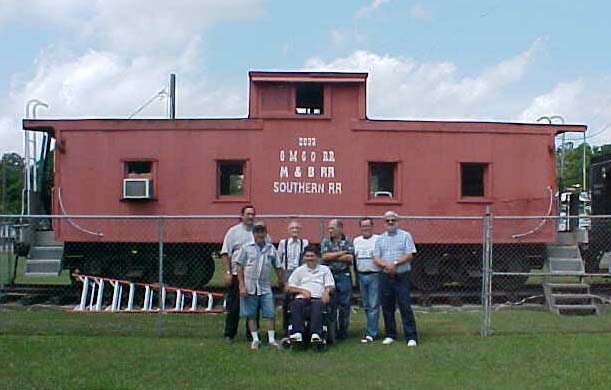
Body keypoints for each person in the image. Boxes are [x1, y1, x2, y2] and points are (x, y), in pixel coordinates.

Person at [235, 222, 285, 350]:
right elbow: (239, 265)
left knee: (270, 313)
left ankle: (272, 339)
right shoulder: (246, 248)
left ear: (265, 233)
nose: (260, 234)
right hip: (250, 286)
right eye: (257, 232)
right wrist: (241, 285)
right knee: (251, 314)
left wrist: (281, 281)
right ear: (253, 234)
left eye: (262, 232)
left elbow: (278, 266)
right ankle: (255, 339)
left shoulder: (271, 249)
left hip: (265, 287)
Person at [373, 211, 418, 346]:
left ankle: (411, 337)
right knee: (387, 306)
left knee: (405, 305)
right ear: (384, 223)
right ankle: (390, 334)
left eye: (393, 220)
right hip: (385, 276)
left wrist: (395, 263)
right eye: (388, 220)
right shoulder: (380, 239)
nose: (390, 222)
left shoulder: (405, 236)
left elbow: (410, 254)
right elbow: (376, 257)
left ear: (397, 221)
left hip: (402, 276)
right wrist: (387, 265)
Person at [221, 205, 258, 342]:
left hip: (254, 276)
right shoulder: (233, 232)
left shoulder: (259, 232)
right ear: (242, 216)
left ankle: (252, 335)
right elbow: (226, 253)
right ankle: (229, 334)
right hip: (237, 274)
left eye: (252, 214)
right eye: (248, 214)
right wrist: (227, 272)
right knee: (234, 307)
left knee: (253, 307)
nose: (250, 216)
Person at [287, 245, 335, 343]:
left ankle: (315, 334)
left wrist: (326, 292)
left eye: (312, 256)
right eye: (307, 256)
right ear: (304, 257)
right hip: (302, 298)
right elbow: (289, 287)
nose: (309, 258)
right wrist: (302, 291)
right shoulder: (299, 270)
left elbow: (331, 285)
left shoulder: (324, 269)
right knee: (296, 304)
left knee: (317, 305)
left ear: (318, 257)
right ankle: (297, 333)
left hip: (318, 298)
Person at [320, 219, 354, 341]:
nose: (330, 231)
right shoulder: (326, 241)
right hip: (330, 275)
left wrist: (333, 255)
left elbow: (350, 258)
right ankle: (331, 332)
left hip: (344, 275)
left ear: (340, 228)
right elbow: (324, 257)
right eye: (329, 228)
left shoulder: (348, 240)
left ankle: (343, 332)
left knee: (345, 305)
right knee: (331, 305)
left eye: (332, 228)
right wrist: (342, 253)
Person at [277, 219, 309, 337]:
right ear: (288, 230)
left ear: (300, 230)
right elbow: (278, 262)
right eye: (292, 228)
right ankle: (287, 328)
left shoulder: (304, 243)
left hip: (300, 272)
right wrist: (282, 279)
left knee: (300, 300)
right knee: (286, 301)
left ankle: (301, 326)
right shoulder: (283, 243)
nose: (295, 230)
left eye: (297, 228)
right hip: (287, 273)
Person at [353, 217, 381, 343]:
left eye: (367, 226)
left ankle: (372, 333)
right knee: (366, 305)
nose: (365, 228)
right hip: (361, 275)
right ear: (360, 228)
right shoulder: (356, 241)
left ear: (372, 227)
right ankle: (371, 329)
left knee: (374, 305)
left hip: (375, 275)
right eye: (363, 226)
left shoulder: (378, 239)